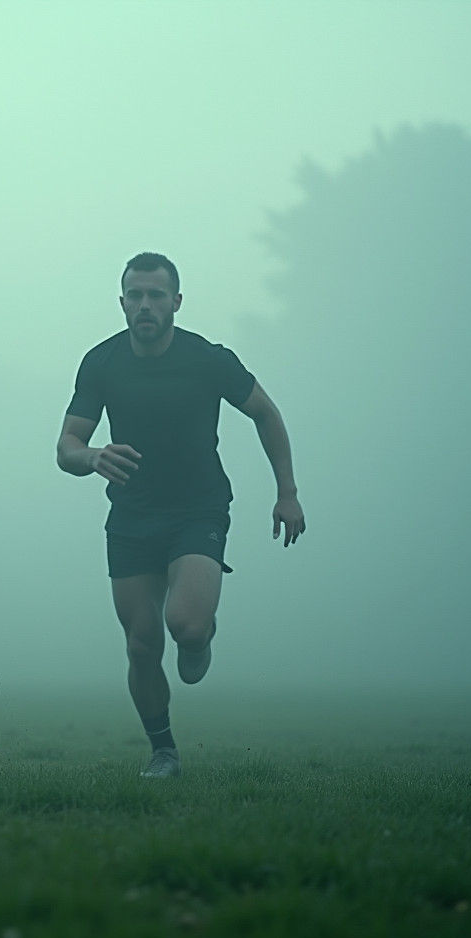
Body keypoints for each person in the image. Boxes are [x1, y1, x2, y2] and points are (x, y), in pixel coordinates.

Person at [56, 252, 305, 778]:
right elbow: (66, 447)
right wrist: (93, 456)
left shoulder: (208, 359)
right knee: (142, 643)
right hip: (131, 516)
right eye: (135, 296)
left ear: (176, 302)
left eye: (156, 295)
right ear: (122, 303)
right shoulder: (101, 363)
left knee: (185, 626)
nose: (145, 305)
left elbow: (266, 413)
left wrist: (287, 492)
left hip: (198, 508)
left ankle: (200, 636)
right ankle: (162, 751)